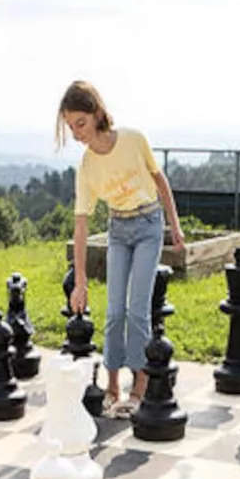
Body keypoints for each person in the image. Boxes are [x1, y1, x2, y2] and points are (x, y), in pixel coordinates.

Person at [57, 81, 185, 416]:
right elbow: (81, 224)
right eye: (70, 127)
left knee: (137, 311)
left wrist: (175, 224)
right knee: (114, 312)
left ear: (97, 113)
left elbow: (160, 182)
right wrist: (81, 281)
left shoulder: (132, 139)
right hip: (118, 229)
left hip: (147, 226)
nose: (76, 133)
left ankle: (138, 389)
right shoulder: (86, 165)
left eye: (80, 123)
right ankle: (113, 387)